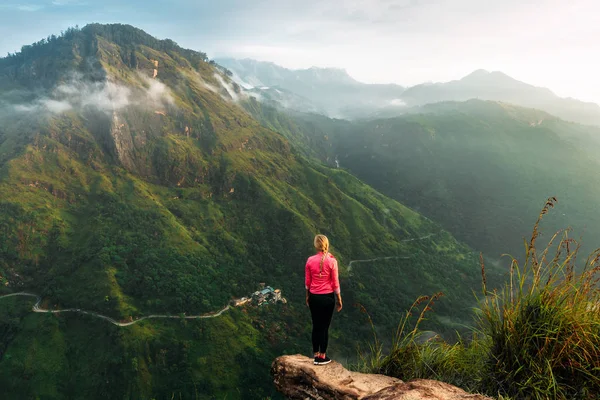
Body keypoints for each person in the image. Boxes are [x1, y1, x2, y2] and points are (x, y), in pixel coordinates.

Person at [305, 234, 342, 365]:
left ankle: (315, 355)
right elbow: (335, 283)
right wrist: (339, 299)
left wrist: (308, 296)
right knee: (324, 327)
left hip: (314, 297)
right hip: (328, 298)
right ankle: (322, 356)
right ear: (326, 244)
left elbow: (308, 282)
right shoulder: (332, 261)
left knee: (316, 326)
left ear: (316, 245)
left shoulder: (310, 260)